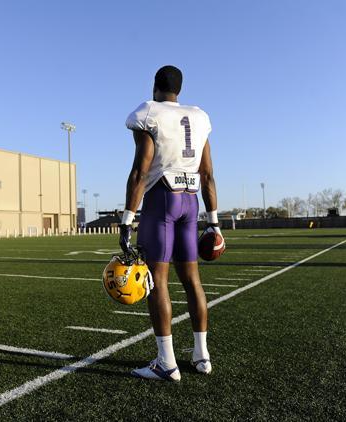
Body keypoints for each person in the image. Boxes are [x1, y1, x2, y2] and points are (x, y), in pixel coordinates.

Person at [119, 65, 222, 381]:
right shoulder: (199, 116)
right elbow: (207, 174)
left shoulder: (149, 112)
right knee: (192, 280)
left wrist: (126, 220)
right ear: (180, 88)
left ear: (155, 86)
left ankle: (167, 363)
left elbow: (141, 170)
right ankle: (202, 356)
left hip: (162, 200)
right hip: (191, 202)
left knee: (157, 281)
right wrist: (214, 222)